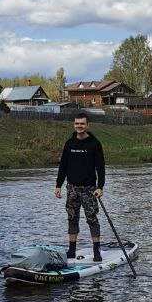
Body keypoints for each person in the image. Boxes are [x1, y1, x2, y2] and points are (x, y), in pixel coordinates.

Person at [54, 111, 105, 261]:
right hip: (72, 188)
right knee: (72, 218)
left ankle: (96, 251)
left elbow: (100, 167)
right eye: (77, 123)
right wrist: (58, 185)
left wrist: (100, 187)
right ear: (74, 125)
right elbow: (63, 165)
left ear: (87, 125)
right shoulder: (69, 144)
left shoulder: (95, 144)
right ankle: (71, 250)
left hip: (89, 189)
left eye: (82, 123)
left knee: (92, 219)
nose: (79, 126)